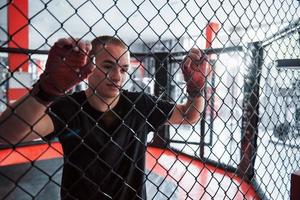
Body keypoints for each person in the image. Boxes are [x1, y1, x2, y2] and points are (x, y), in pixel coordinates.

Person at [0, 36, 207, 200]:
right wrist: (47, 90)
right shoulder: (69, 108)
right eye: (108, 66)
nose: (117, 76)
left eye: (124, 69)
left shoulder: (140, 104)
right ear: (89, 67)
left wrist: (196, 89)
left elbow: (189, 116)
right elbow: (7, 135)